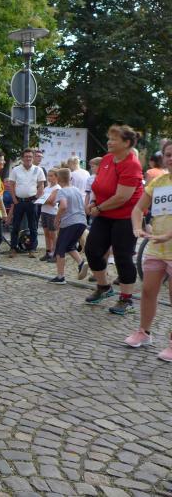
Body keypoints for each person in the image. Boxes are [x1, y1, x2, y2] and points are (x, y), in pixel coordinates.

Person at [84, 125, 144, 314]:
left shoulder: (132, 164)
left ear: (126, 143)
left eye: (114, 139)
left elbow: (122, 197)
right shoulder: (107, 159)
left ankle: (126, 299)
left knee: (122, 256)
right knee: (92, 250)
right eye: (109, 138)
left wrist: (98, 208)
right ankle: (104, 287)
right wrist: (94, 202)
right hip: (104, 214)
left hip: (126, 216)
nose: (109, 142)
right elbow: (98, 185)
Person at [126, 139, 172, 360]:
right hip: (157, 247)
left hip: (167, 242)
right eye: (168, 155)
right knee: (147, 290)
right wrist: (137, 227)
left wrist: (168, 235)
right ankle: (144, 332)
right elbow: (138, 208)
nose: (171, 159)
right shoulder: (159, 182)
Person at [47, 168, 88, 284]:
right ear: (70, 178)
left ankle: (60, 277)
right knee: (70, 246)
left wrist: (57, 219)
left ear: (58, 178)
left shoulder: (62, 191)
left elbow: (63, 206)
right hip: (82, 222)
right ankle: (81, 263)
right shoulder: (76, 190)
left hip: (70, 222)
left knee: (60, 249)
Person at [6, 148, 45, 258]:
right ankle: (13, 248)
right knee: (15, 226)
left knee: (33, 227)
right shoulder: (16, 170)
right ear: (22, 158)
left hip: (32, 202)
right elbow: (11, 185)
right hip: (19, 201)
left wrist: (37, 198)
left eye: (30, 156)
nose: (28, 158)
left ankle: (32, 249)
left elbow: (41, 185)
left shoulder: (38, 170)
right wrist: (14, 199)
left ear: (33, 158)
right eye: (26, 156)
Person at [39, 168, 61, 261]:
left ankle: (55, 254)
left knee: (53, 234)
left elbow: (52, 201)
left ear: (56, 177)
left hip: (52, 213)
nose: (49, 178)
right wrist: (44, 200)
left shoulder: (57, 188)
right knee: (46, 233)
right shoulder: (46, 188)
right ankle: (48, 252)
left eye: (51, 176)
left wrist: (43, 200)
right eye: (48, 175)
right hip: (44, 211)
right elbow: (41, 198)